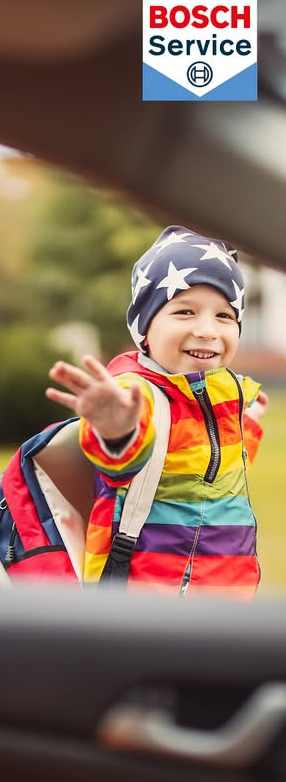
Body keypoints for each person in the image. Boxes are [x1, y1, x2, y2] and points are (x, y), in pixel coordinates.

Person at [46, 225, 268, 598]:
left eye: (224, 316)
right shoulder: (136, 394)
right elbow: (121, 458)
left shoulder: (225, 397)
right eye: (185, 311)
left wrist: (246, 428)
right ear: (145, 330)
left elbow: (210, 476)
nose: (207, 330)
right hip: (144, 606)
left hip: (226, 600)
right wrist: (116, 430)